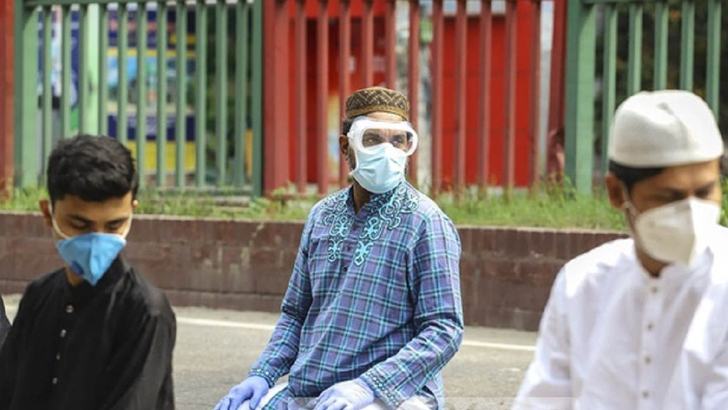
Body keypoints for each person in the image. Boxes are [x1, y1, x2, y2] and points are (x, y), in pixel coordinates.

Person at [214, 87, 463, 410]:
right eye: (372, 139)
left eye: (398, 141)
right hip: (313, 387)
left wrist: (367, 386)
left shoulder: (426, 222)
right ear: (346, 146)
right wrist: (262, 374)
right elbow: (296, 314)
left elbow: (444, 330)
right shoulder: (322, 215)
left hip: (393, 395)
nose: (387, 151)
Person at [513, 90, 728, 410]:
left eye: (704, 191)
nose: (691, 212)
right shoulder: (582, 286)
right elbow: (544, 400)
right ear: (616, 192)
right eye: (668, 197)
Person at [0, 135, 176, 410]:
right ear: (48, 213)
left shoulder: (144, 310)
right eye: (80, 225)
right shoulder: (40, 296)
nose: (97, 239)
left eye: (114, 225)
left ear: (132, 211)